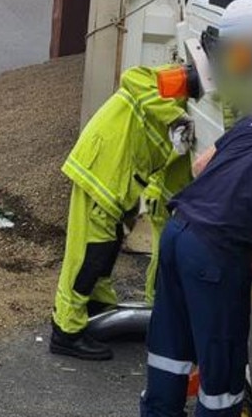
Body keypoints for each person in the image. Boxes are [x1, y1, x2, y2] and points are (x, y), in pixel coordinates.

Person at [143, 1, 252, 417]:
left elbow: (201, 165)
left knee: (170, 349)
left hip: (180, 228)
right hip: (216, 252)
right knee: (222, 376)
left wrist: (233, 192)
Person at [50, 64, 193, 361]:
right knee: (89, 254)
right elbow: (134, 76)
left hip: (118, 176)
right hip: (103, 169)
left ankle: (96, 308)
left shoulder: (197, 110)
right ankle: (66, 330)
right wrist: (175, 117)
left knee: (107, 247)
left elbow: (176, 172)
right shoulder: (180, 83)